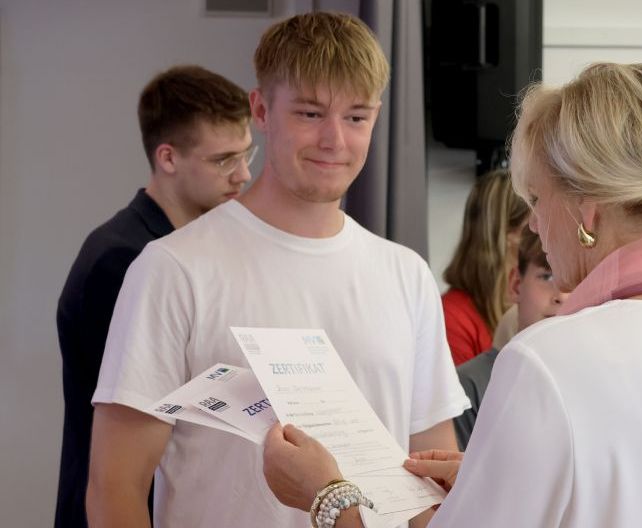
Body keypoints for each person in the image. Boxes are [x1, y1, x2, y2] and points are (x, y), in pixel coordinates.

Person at [261, 62, 642, 527]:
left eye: (537, 198)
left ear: (587, 212)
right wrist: (495, 480)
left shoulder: (548, 361)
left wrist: (329, 498)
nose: (532, 226)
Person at [86, 13, 468, 528]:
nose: (334, 140)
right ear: (261, 110)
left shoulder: (406, 275)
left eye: (356, 118)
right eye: (310, 114)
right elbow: (115, 490)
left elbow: (430, 483)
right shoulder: (174, 269)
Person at [55, 64, 252, 528]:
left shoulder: (186, 250)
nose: (243, 175)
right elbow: (133, 439)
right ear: (168, 158)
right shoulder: (122, 261)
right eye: (223, 160)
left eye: (247, 154)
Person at [453, 227, 569, 449]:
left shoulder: (595, 385)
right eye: (548, 276)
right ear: (516, 285)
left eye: (577, 282)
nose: (562, 296)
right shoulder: (469, 387)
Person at [442, 169, 529, 365]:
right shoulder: (452, 319)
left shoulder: (535, 301)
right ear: (506, 233)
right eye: (532, 223)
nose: (541, 230)